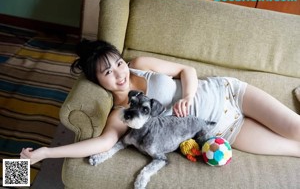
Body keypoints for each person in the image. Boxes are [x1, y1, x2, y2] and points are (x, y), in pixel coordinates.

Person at [20, 40, 300, 164]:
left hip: (228, 93)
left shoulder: (140, 65)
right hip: (221, 131)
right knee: (295, 149)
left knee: (296, 129)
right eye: (108, 72)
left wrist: (188, 95)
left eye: (118, 63)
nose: (119, 73)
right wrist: (45, 153)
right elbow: (103, 144)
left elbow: (186, 71)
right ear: (97, 81)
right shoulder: (121, 113)